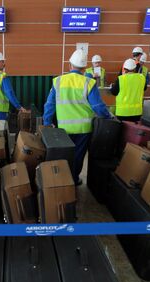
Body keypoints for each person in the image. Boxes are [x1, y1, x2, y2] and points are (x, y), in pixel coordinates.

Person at [43, 50, 113, 186]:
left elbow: (49, 105)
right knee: (78, 156)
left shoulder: (58, 81)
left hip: (63, 129)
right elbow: (98, 106)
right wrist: (108, 116)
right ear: (84, 68)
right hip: (83, 129)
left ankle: (62, 180)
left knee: (64, 155)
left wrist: (47, 122)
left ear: (70, 65)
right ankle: (73, 180)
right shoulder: (89, 82)